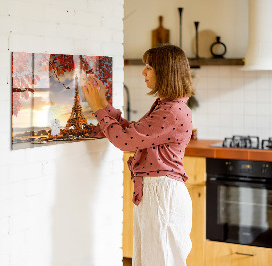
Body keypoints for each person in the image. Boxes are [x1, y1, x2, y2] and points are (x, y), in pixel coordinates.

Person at [82, 44, 194, 266]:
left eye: (149, 67)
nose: (143, 72)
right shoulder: (167, 106)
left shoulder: (171, 111)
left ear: (165, 72)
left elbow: (125, 141)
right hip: (157, 193)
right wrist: (104, 105)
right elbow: (133, 133)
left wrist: (98, 109)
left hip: (162, 195)